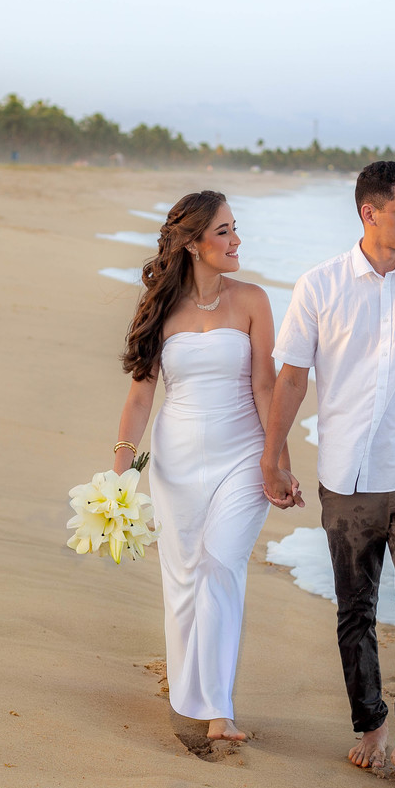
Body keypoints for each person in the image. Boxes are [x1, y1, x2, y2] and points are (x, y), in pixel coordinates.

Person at [261, 161, 395, 785]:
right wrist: (274, 455)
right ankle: (370, 724)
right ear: (370, 213)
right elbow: (293, 377)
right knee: (354, 609)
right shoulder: (320, 286)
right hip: (346, 475)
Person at [111, 190, 292, 742]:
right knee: (185, 580)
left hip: (243, 456)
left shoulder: (254, 300)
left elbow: (266, 385)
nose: (236, 240)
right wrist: (120, 472)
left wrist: (276, 460)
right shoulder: (160, 310)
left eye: (236, 228)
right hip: (176, 462)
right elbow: (141, 396)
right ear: (192, 243)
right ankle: (192, 693)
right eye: (223, 231)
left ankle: (218, 710)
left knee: (219, 564)